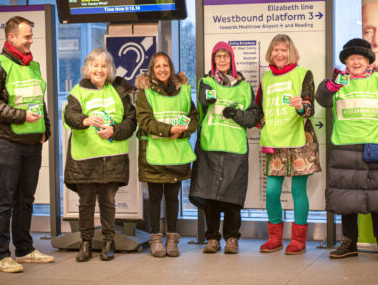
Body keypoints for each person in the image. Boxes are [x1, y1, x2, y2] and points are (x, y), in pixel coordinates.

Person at [315, 38, 378, 263]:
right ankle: (349, 243)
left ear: (368, 62)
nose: (355, 62)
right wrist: (331, 87)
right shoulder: (337, 81)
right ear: (345, 61)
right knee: (347, 199)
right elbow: (322, 99)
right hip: (344, 148)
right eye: (351, 58)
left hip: (375, 148)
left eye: (360, 58)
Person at [0, 16, 54, 273]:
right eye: (27, 37)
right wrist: (21, 116)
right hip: (4, 142)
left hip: (32, 142)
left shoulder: (33, 66)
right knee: (3, 200)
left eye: (31, 36)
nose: (31, 40)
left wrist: (46, 129)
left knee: (25, 200)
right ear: (11, 37)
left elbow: (38, 101)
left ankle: (24, 249)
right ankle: (1, 255)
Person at [63, 48, 136, 262]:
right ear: (88, 68)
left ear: (110, 69)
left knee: (108, 202)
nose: (100, 70)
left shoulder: (119, 91)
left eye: (104, 66)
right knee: (86, 203)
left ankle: (108, 242)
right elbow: (70, 115)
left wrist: (115, 130)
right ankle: (85, 243)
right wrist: (84, 120)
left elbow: (131, 122)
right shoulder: (78, 91)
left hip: (112, 157)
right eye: (95, 65)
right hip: (85, 158)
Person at [189, 42, 260, 254]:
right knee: (210, 197)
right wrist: (209, 93)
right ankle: (212, 238)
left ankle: (231, 238)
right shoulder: (206, 82)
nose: (222, 60)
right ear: (213, 60)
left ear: (232, 59)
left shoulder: (245, 87)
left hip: (235, 149)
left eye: (225, 56)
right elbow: (203, 100)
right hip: (210, 146)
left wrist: (236, 114)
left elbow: (254, 116)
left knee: (232, 198)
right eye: (218, 56)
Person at [256, 34, 321, 255]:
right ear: (270, 53)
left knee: (297, 189)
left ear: (290, 52)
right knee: (272, 192)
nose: (279, 54)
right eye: (275, 50)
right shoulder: (265, 79)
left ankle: (298, 240)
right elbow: (260, 110)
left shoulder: (304, 74)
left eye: (284, 50)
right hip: (275, 141)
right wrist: (259, 121)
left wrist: (301, 107)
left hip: (300, 140)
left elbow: (310, 108)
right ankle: (274, 238)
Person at [135, 52, 199, 257]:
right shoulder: (145, 92)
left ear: (171, 68)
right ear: (152, 70)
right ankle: (155, 238)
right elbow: (144, 120)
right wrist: (169, 130)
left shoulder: (182, 90)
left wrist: (185, 130)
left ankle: (172, 239)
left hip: (176, 153)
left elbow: (194, 116)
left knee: (173, 198)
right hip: (154, 153)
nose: (162, 69)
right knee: (154, 198)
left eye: (166, 65)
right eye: (157, 66)